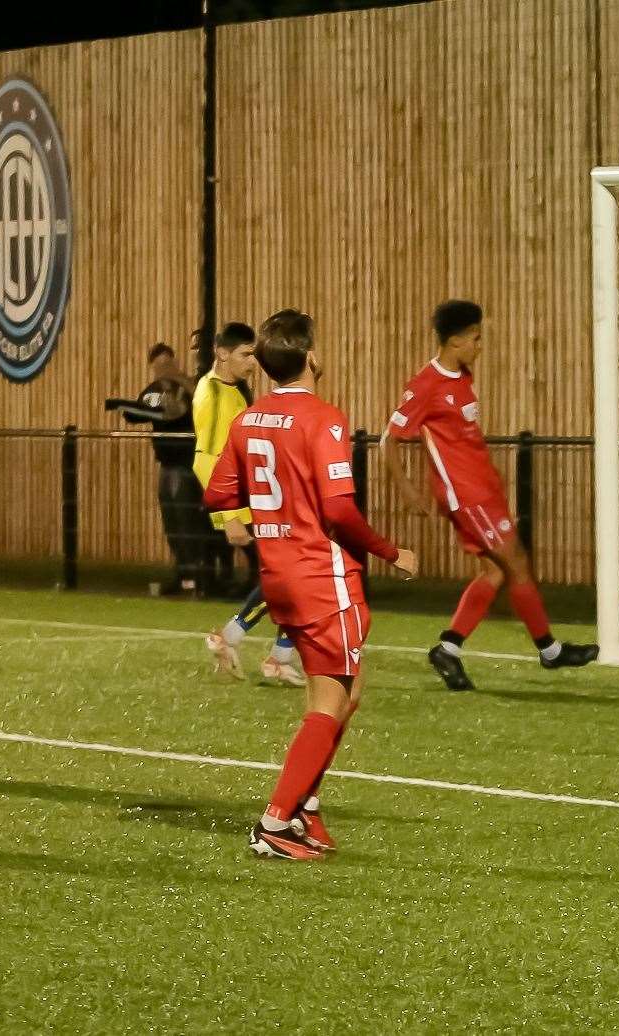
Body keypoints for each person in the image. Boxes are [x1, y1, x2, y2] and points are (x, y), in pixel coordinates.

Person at [204, 309, 417, 859]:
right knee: (331, 699)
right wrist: (391, 552)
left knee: (349, 686)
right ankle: (278, 820)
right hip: (324, 576)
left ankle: (306, 810)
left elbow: (219, 495)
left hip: (278, 575)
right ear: (311, 358)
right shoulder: (324, 419)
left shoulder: (249, 421)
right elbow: (340, 510)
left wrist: (275, 513)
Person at [380, 299, 597, 691]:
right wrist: (409, 490)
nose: (480, 346)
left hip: (483, 489)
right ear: (454, 341)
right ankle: (549, 650)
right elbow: (388, 441)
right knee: (515, 561)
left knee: (497, 571)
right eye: (475, 339)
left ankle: (449, 648)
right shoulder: (425, 385)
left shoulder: (463, 375)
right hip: (465, 495)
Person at [195, 322, 302, 685]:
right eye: (245, 354)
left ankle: (251, 645)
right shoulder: (211, 395)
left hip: (256, 502)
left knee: (286, 577)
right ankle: (271, 654)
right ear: (221, 353)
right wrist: (228, 517)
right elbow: (205, 458)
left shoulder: (234, 391)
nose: (252, 362)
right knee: (289, 576)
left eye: (254, 354)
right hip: (240, 507)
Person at [105, 342, 213, 594]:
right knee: (172, 524)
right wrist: (122, 405)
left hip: (185, 465)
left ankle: (197, 578)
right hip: (167, 464)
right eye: (160, 365)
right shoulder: (154, 390)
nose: (164, 368)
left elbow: (181, 411)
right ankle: (184, 575)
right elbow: (139, 413)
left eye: (168, 363)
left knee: (188, 523)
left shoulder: (187, 386)